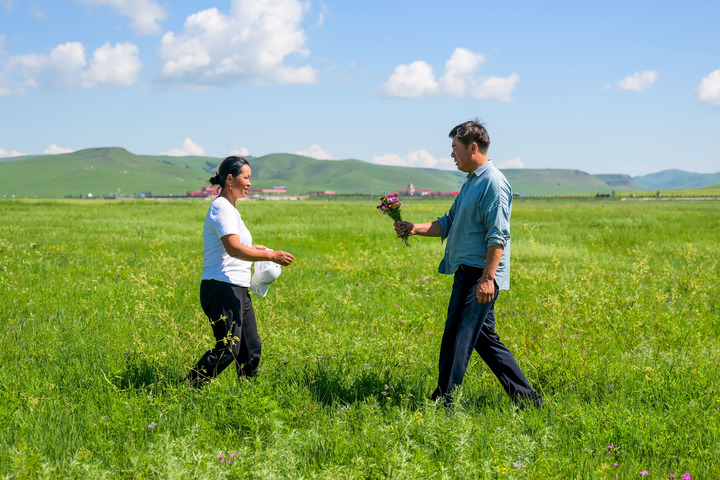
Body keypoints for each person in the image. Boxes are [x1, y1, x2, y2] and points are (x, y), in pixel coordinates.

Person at [394, 120, 542, 408]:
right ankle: (529, 402)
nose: (452, 155)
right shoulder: (472, 182)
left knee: (457, 341)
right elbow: (448, 222)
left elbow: (498, 235)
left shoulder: (493, 184)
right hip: (468, 272)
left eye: (455, 148)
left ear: (473, 148)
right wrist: (413, 228)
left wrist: (488, 279)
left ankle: (445, 402)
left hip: (479, 275)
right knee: (485, 341)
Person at [188, 155, 294, 388]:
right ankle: (188, 387)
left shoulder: (232, 210)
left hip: (237, 287)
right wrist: (270, 255)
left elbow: (237, 246)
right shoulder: (221, 208)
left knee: (251, 347)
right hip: (221, 286)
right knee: (228, 348)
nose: (249, 183)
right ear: (230, 179)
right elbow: (233, 249)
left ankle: (248, 396)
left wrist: (255, 249)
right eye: (245, 178)